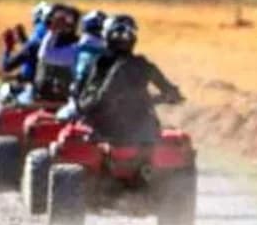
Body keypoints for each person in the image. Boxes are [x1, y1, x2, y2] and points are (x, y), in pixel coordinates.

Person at [75, 15, 183, 146]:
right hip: (142, 132)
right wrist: (151, 100)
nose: (122, 39)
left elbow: (88, 101)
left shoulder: (100, 63)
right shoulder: (143, 65)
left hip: (107, 131)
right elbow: (173, 95)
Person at [3, 3, 84, 105]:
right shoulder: (80, 46)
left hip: (40, 95)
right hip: (69, 98)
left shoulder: (40, 46)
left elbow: (8, 66)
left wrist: (8, 48)